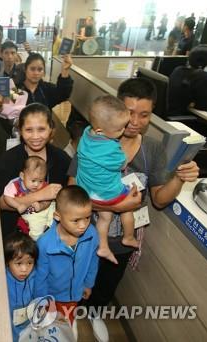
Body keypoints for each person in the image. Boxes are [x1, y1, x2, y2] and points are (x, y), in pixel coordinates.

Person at [68, 77, 199, 342]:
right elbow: (71, 192)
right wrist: (117, 205)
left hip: (122, 239)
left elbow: (160, 200)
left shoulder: (153, 149)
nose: (136, 122)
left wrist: (179, 177)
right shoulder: (94, 140)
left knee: (107, 282)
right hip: (83, 229)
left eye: (145, 115)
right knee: (76, 274)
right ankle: (68, 314)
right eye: (129, 113)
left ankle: (94, 314)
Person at [76, 96, 138, 265]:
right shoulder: (110, 148)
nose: (124, 130)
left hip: (87, 190)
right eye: (120, 129)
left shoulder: (86, 133)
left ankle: (103, 246)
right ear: (100, 131)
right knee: (128, 208)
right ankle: (129, 237)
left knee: (105, 217)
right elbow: (122, 163)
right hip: (108, 193)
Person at [0, 103, 70, 238]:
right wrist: (39, 195)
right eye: (29, 130)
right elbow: (0, 203)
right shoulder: (8, 160)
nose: (35, 136)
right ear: (20, 130)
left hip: (52, 231)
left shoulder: (61, 159)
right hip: (17, 235)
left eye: (41, 129)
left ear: (51, 129)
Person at [35, 185, 98, 331]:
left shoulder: (92, 234)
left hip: (75, 295)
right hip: (52, 297)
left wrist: (89, 283)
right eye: (76, 220)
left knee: (66, 327)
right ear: (58, 216)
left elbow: (93, 261)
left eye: (87, 217)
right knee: (49, 328)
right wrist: (43, 302)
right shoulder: (44, 244)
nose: (83, 225)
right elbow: (39, 277)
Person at [3, 156, 56, 240]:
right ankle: (38, 239)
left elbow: (48, 199)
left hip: (45, 208)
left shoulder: (43, 185)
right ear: (22, 176)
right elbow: (7, 197)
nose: (36, 184)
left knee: (55, 206)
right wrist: (17, 206)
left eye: (41, 181)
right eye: (33, 180)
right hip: (31, 213)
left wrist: (42, 206)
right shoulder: (15, 184)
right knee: (35, 229)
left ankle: (51, 227)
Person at [4, 231, 38, 341]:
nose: (24, 269)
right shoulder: (2, 280)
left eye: (29, 263)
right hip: (9, 323)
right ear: (7, 262)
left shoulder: (36, 276)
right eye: (18, 263)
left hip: (31, 323)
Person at [168, 44, 207, 117]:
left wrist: (193, 103)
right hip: (184, 120)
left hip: (170, 116)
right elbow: (202, 106)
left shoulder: (178, 69)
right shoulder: (204, 77)